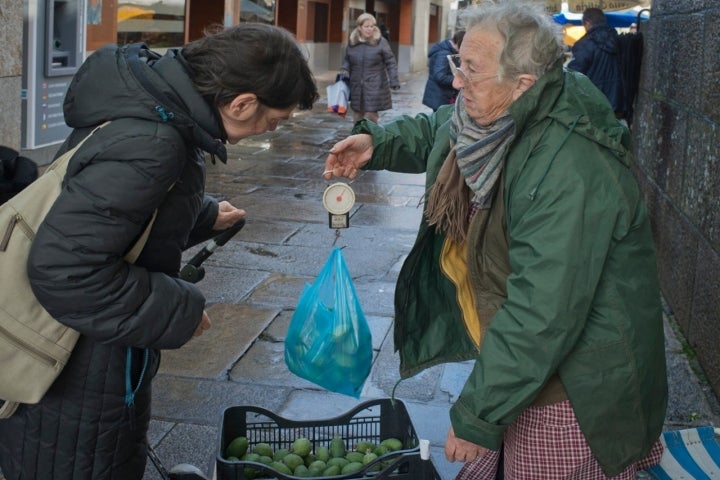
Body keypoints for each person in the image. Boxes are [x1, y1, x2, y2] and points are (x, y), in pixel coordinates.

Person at [323, 2, 667, 479]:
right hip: (518, 361)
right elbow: (440, 130)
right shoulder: (493, 115)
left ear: (523, 83)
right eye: (457, 64)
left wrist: (476, 416)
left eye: (472, 71)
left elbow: (541, 312)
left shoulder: (570, 167)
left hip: (577, 385)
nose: (457, 82)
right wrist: (376, 143)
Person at [0, 23, 317, 480]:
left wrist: (204, 216)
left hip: (91, 352)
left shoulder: (156, 110)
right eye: (275, 120)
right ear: (243, 103)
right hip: (80, 370)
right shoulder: (155, 142)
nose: (271, 130)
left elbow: (113, 213)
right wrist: (179, 310)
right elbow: (65, 269)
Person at [340, 13, 400, 124]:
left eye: (372, 26)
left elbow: (391, 62)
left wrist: (394, 80)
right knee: (358, 115)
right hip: (357, 85)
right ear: (359, 27)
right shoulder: (353, 42)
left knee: (370, 115)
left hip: (375, 85)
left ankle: (371, 139)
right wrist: (344, 69)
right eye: (366, 26)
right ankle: (357, 137)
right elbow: (347, 59)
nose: (369, 29)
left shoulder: (381, 42)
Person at [567, 7, 625, 118]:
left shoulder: (585, 44)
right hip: (619, 102)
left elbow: (573, 74)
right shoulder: (621, 40)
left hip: (593, 103)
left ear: (587, 23)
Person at [422, 30, 466, 111]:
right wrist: (457, 79)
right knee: (440, 121)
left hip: (441, 95)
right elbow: (439, 75)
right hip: (439, 96)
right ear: (459, 43)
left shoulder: (448, 50)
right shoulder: (444, 53)